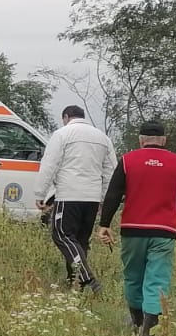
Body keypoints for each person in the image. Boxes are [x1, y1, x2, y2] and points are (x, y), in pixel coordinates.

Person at [98, 120, 176, 336]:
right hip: (164, 230)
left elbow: (113, 195)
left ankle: (137, 321)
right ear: (164, 140)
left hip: (132, 229)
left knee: (133, 277)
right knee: (157, 278)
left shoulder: (127, 160)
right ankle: (148, 333)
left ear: (141, 140)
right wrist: (166, 214)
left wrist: (104, 224)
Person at [34, 105, 117, 292]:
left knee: (62, 235)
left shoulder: (62, 134)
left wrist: (40, 193)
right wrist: (104, 199)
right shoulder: (102, 138)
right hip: (92, 198)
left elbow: (49, 164)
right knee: (80, 241)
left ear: (66, 117)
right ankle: (74, 282)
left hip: (69, 195)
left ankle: (88, 280)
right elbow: (111, 171)